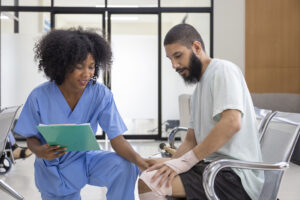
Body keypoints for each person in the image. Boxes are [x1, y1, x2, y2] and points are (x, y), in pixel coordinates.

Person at [13, 28, 149, 200]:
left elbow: (117, 139)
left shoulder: (100, 94)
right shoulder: (39, 96)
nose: (87, 74)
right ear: (63, 65)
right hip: (54, 170)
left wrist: (140, 161)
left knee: (124, 166)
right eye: (79, 67)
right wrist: (40, 151)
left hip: (85, 161)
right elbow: (31, 138)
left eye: (91, 67)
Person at [138, 24, 264, 200]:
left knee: (150, 182)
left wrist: (183, 163)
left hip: (234, 176)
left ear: (196, 47)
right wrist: (172, 163)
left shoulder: (223, 70)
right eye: (170, 59)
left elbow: (231, 122)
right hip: (211, 167)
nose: (174, 65)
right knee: (150, 171)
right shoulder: (198, 90)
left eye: (178, 56)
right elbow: (191, 140)